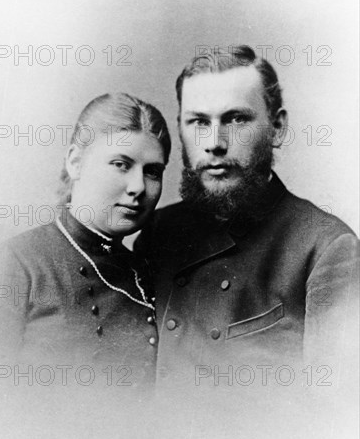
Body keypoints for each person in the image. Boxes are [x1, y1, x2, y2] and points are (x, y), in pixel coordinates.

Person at [136, 45, 359, 383]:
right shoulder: (158, 232)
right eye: (198, 121)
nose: (214, 143)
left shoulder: (325, 248)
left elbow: (332, 416)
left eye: (236, 119)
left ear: (278, 127)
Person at [0, 92, 171, 386]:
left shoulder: (148, 273)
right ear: (76, 162)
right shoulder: (16, 264)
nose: (138, 187)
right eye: (120, 164)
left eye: (152, 172)